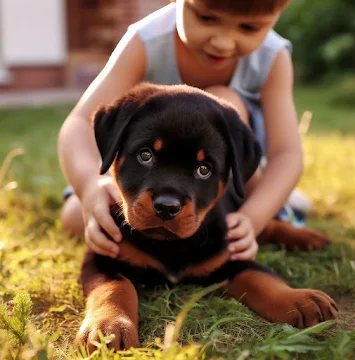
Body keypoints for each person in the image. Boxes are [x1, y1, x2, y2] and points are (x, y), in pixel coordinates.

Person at [58, 0, 310, 262]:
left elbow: (286, 154)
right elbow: (79, 123)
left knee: (223, 101)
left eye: (249, 27)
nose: (223, 42)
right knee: (75, 216)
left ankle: (273, 213)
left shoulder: (273, 57)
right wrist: (89, 185)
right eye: (207, 18)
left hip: (226, 177)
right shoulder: (146, 41)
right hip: (149, 176)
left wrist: (254, 216)